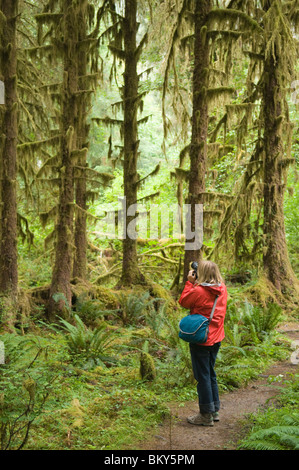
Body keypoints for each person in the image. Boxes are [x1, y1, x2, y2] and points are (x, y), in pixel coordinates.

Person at [178, 260, 227, 427]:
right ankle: (214, 410)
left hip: (202, 338)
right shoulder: (222, 288)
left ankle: (205, 415)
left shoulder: (199, 290)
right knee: (211, 373)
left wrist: (189, 283)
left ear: (202, 274)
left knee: (203, 376)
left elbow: (184, 302)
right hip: (217, 336)